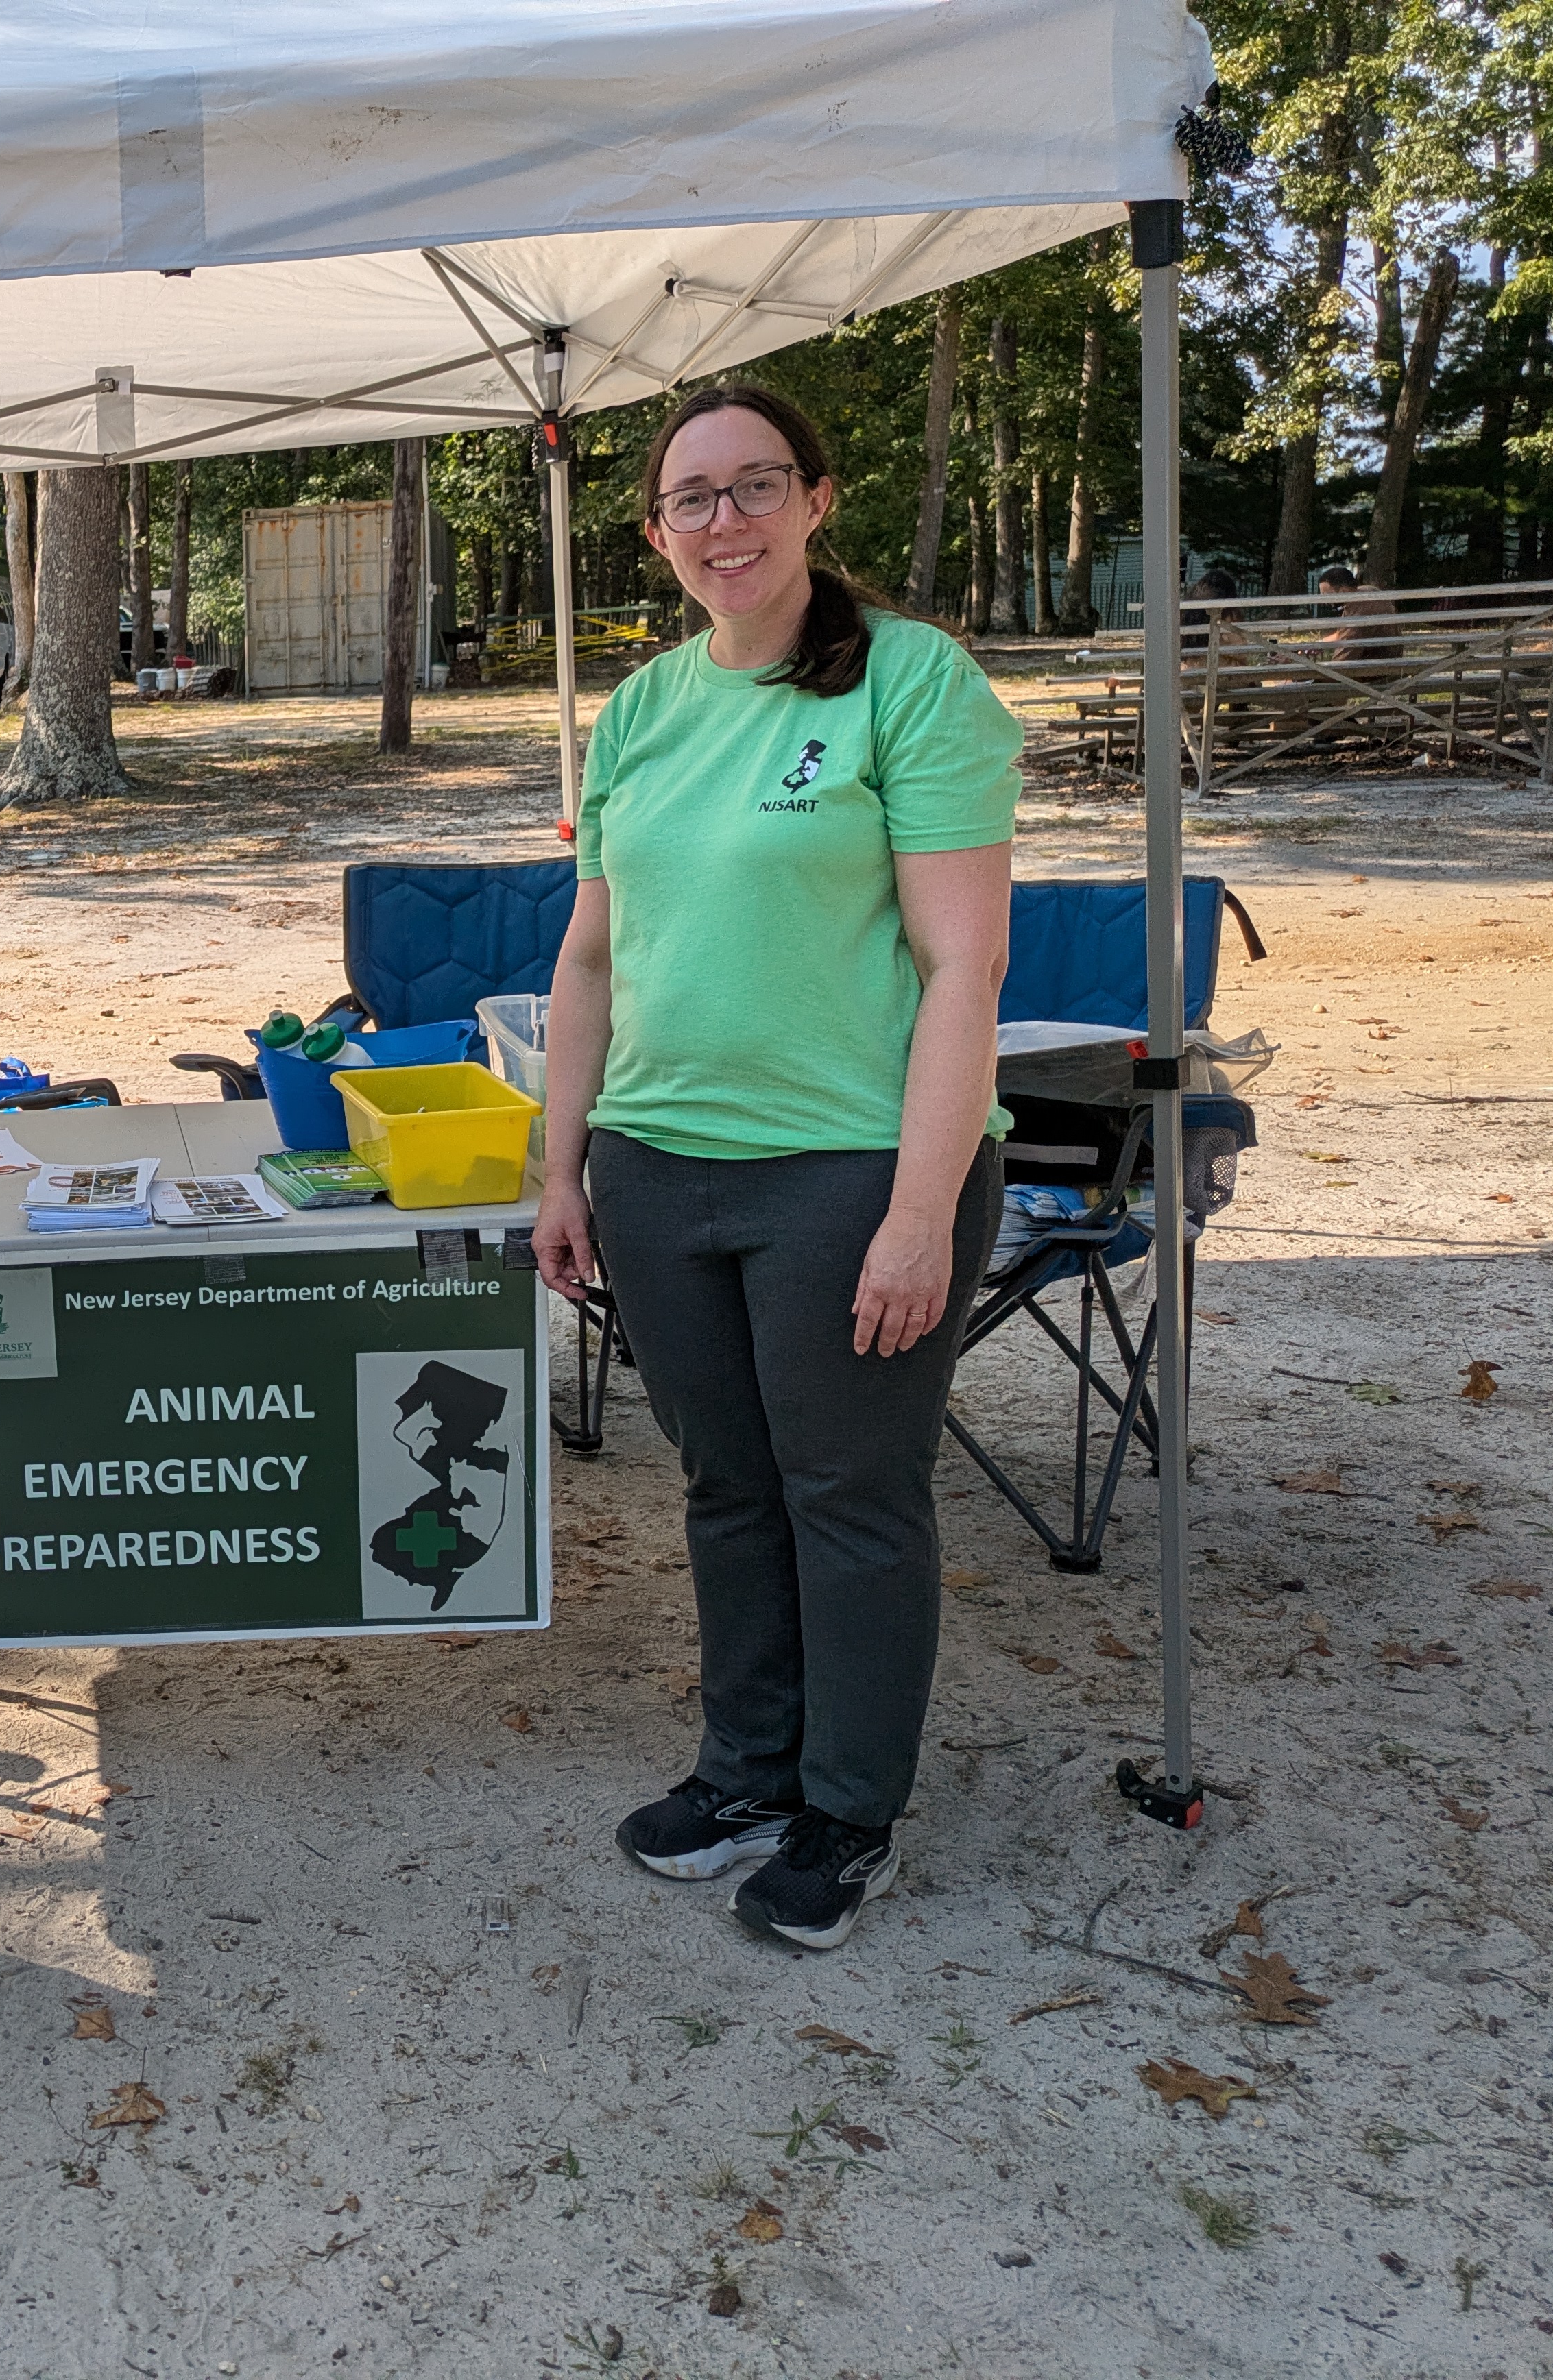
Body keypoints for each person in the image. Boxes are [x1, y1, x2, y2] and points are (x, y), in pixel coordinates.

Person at [532, 383, 1018, 1952]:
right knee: (726, 1489)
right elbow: (593, 956)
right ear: (658, 531)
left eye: (753, 488)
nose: (722, 522)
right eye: (692, 499)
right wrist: (562, 1168)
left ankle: (842, 1808)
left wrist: (917, 1209)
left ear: (814, 500)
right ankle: (743, 1770)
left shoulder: (911, 686)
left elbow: (962, 974)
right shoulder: (643, 710)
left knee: (848, 1497)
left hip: (845, 1169)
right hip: (659, 1169)